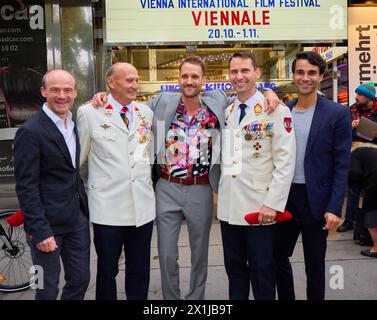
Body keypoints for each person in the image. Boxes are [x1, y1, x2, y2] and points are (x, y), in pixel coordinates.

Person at [90, 55, 281, 300]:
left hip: (201, 189)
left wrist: (267, 92)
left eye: (194, 76)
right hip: (167, 187)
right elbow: (125, 99)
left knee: (200, 254)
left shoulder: (219, 102)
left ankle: (195, 300)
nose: (189, 81)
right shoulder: (161, 102)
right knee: (167, 254)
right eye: (184, 76)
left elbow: (246, 92)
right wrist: (102, 96)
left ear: (203, 80)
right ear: (178, 78)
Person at [217, 51, 296, 300]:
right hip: (229, 208)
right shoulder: (228, 109)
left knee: (263, 270)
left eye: (245, 71)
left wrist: (272, 203)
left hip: (259, 208)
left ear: (257, 73)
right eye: (234, 71)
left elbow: (285, 162)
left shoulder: (276, 110)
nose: (239, 76)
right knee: (235, 269)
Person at [274, 51, 352, 300]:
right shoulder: (282, 111)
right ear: (293, 76)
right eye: (300, 72)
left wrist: (335, 206)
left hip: (316, 200)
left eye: (311, 73)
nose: (305, 77)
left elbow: (342, 164)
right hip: (285, 198)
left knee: (315, 265)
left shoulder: (336, 113)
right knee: (277, 257)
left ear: (321, 76)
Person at [76, 62, 155, 300]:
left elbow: (147, 154)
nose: (135, 84)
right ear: (111, 82)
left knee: (140, 269)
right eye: (128, 80)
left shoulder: (145, 112)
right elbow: (79, 161)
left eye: (136, 79)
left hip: (142, 206)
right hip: (107, 207)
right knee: (107, 269)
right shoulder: (89, 112)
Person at [13, 69, 90, 300]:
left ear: (75, 92)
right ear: (43, 91)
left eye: (67, 90)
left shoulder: (74, 125)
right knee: (45, 288)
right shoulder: (30, 131)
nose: (62, 95)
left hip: (76, 222)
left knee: (81, 280)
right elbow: (26, 186)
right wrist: (39, 231)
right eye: (55, 89)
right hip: (46, 227)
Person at [337, 82, 377, 233]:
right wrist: (351, 126)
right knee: (353, 187)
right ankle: (350, 220)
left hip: (373, 155)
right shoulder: (351, 110)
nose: (356, 97)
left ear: (369, 97)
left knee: (371, 191)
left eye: (360, 94)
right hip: (355, 153)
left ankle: (369, 224)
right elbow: (341, 132)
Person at [348, 143, 377, 258]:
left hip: (374, 183)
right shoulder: (370, 151)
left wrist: (355, 187)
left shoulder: (354, 154)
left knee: (370, 215)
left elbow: (355, 174)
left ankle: (376, 248)